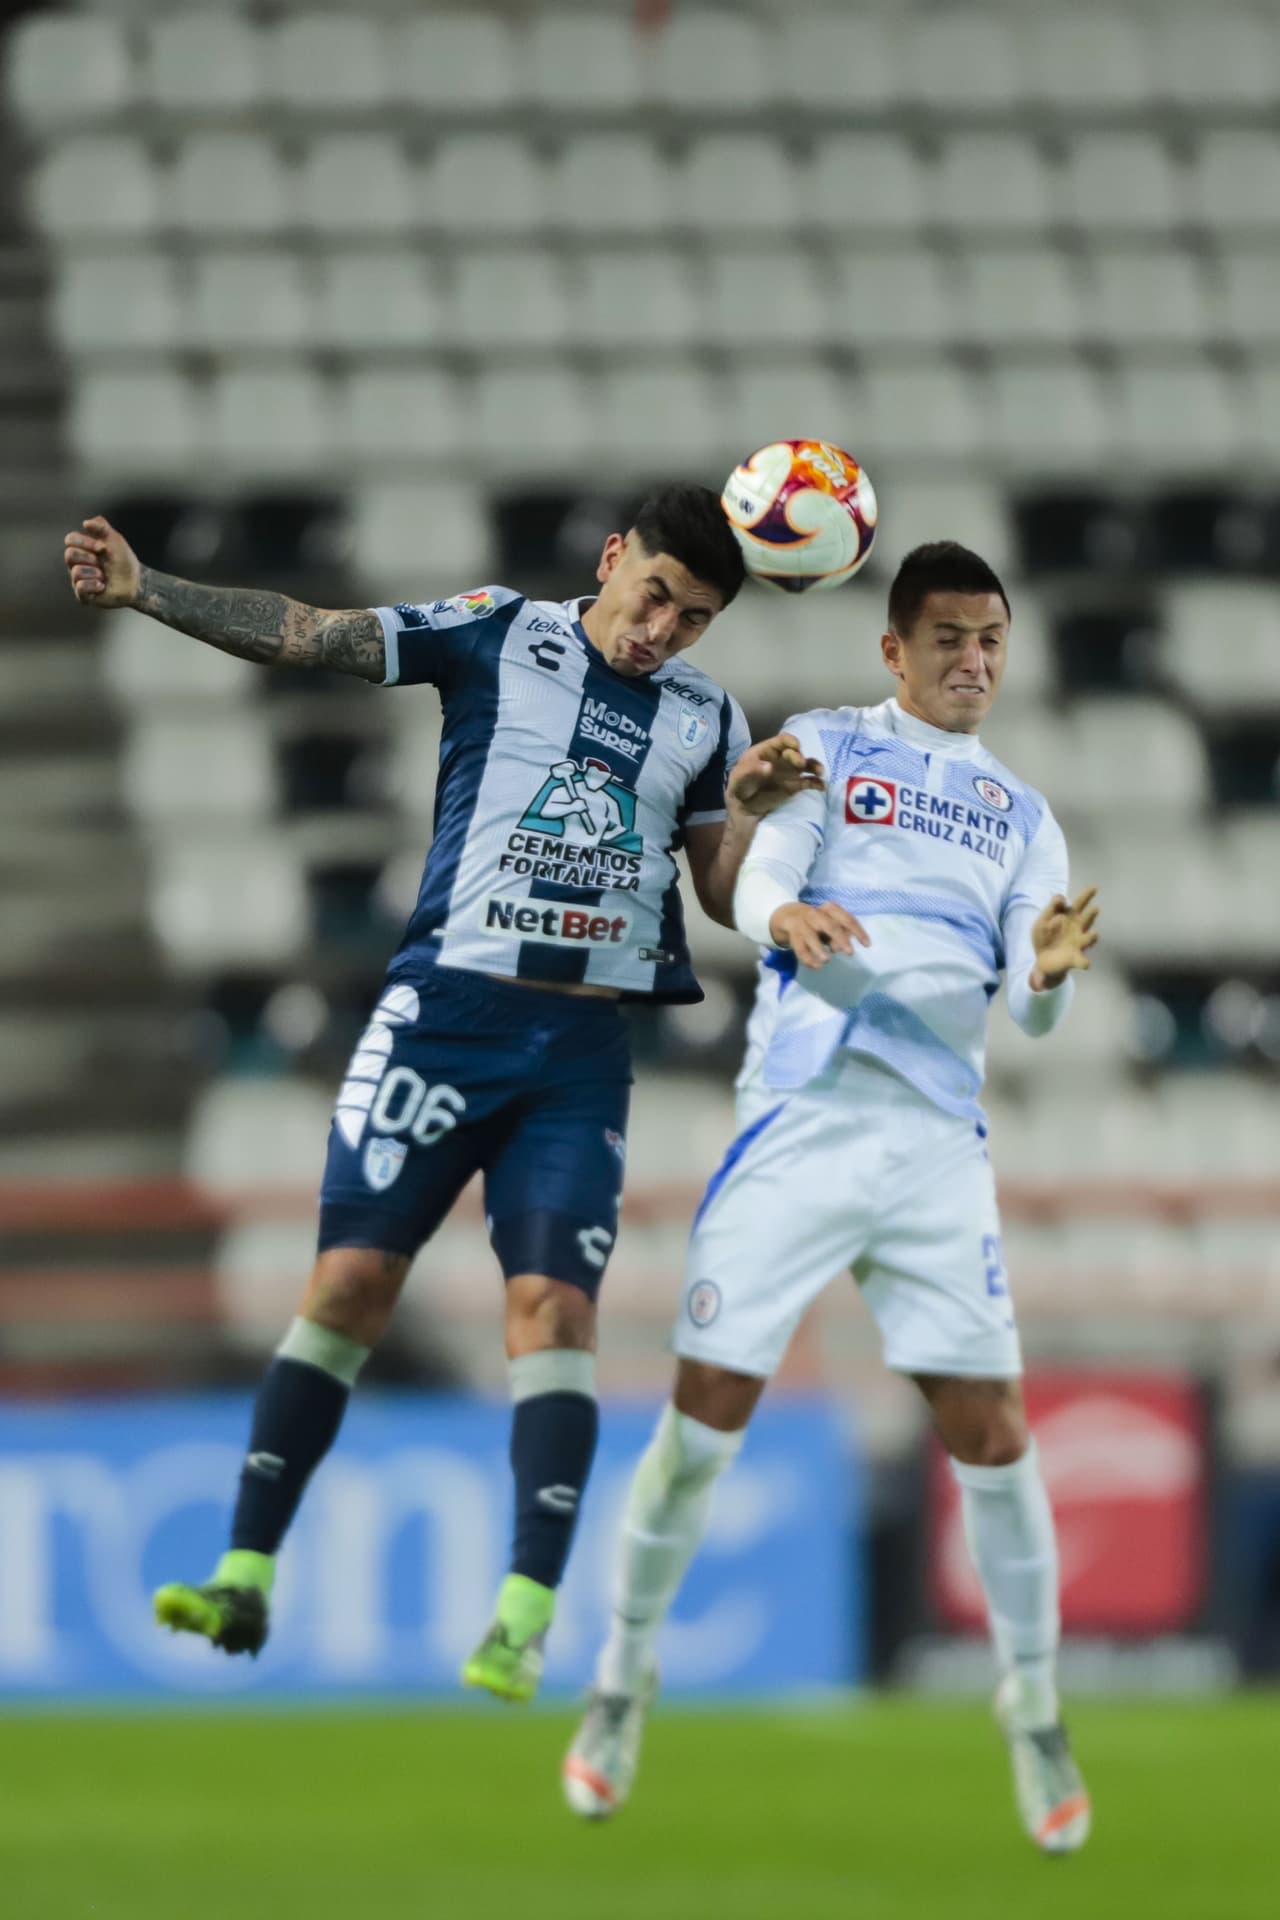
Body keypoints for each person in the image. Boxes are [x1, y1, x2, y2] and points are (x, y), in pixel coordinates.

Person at [63, 485, 824, 1702]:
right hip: (442, 1021)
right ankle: (244, 1572)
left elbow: (722, 896)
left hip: (576, 1058)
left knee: (555, 1317)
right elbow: (315, 634)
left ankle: (521, 1617)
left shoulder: (707, 715)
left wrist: (744, 815)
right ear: (612, 556)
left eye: (692, 621)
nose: (661, 633)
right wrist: (150, 591)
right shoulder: (496, 630)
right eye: (653, 599)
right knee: (350, 1285)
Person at [565, 542, 1100, 1854]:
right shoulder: (827, 747)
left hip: (931, 1146)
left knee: (992, 1435)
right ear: (894, 650)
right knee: (704, 1424)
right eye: (949, 640)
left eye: (992, 641)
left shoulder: (1025, 814)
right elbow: (759, 860)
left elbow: (1033, 1019)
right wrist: (778, 913)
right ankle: (621, 1682)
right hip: (805, 1118)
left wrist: (1046, 977)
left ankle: (1033, 1706)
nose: (974, 662)